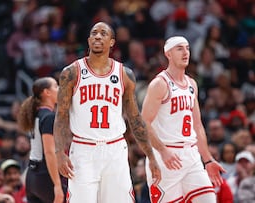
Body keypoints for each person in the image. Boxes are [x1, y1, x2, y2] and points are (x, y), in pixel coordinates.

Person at [53, 21, 161, 203]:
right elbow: (61, 115)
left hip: (115, 149)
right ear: (88, 40)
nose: (97, 36)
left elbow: (135, 119)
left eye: (103, 33)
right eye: (94, 33)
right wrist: (59, 152)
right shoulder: (71, 72)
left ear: (112, 42)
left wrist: (150, 155)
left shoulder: (124, 74)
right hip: (83, 150)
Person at [141, 36, 225, 202]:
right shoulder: (160, 84)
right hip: (165, 158)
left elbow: (198, 125)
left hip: (191, 155)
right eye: (179, 48)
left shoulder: (191, 84)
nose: (185, 52)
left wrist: (207, 160)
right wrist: (163, 151)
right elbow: (143, 123)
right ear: (168, 54)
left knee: (208, 199)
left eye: (187, 48)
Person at [17, 77, 65, 203]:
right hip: (46, 176)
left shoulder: (35, 114)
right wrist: (57, 185)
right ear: (46, 92)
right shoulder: (49, 116)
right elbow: (49, 152)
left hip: (32, 176)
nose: (59, 89)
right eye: (55, 86)